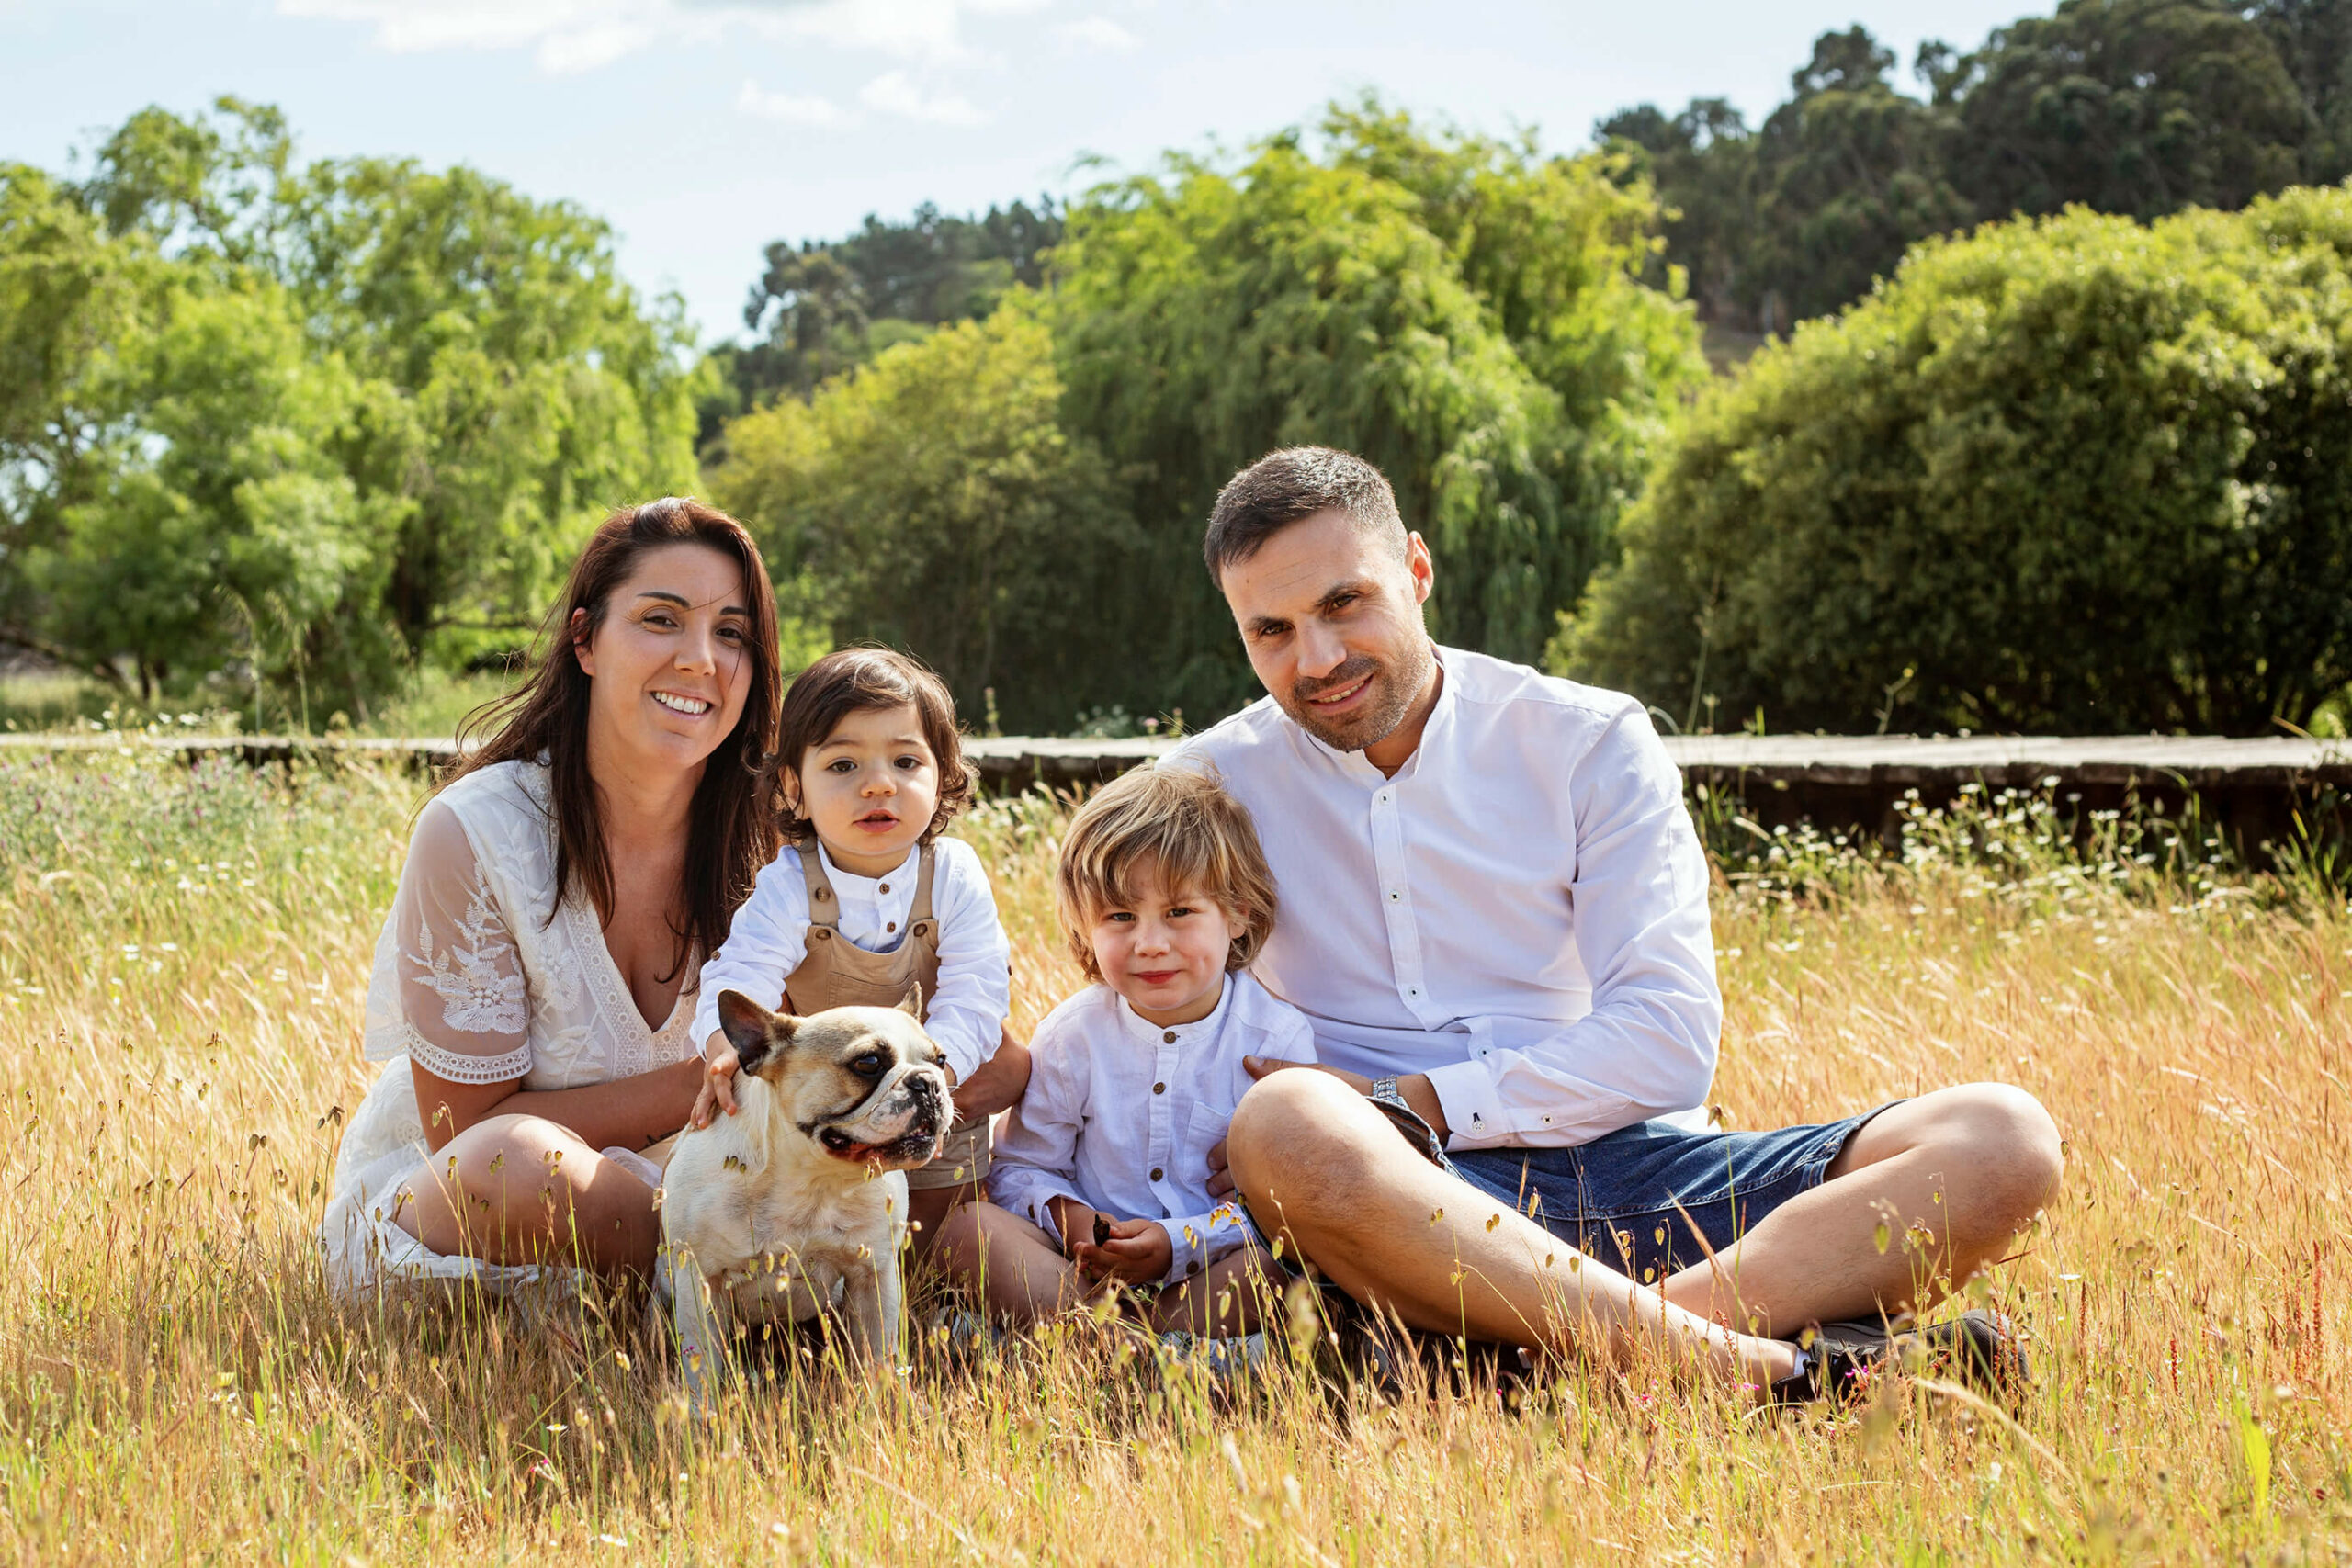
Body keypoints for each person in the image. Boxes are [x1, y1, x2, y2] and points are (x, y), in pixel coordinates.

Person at [1171, 446, 2064, 1397]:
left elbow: (1667, 1042)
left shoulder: (1585, 738)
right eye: (1272, 630)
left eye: (1345, 603)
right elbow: (1133, 1015)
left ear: (1418, 572)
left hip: (1643, 1171)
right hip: (1404, 1201)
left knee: (2001, 1139)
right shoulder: (1206, 784)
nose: (1317, 659)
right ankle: (1761, 1373)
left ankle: (1554, 1371)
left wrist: (1409, 1098)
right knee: (1287, 1122)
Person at [322, 498, 788, 1295]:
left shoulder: (776, 837)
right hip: (489, 1206)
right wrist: (700, 1084)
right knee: (515, 1162)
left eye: (732, 633)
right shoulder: (476, 833)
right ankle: (744, 1282)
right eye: (661, 620)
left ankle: (727, 1281)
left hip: (709, 1180)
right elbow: (463, 1133)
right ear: (585, 642)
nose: (699, 659)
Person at [935, 765, 1315, 1337]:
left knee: (1294, 1261)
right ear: (1086, 930)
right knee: (968, 1229)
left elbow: (1286, 1201)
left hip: (1212, 1271)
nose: (1150, 944)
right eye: (1120, 917)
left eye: (1179, 912)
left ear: (1236, 914)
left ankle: (1114, 1350)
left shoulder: (1275, 1039)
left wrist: (1179, 1243)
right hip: (1086, 1275)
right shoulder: (1073, 1035)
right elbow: (1022, 1168)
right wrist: (1074, 1221)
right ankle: (1132, 1349)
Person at [688, 647, 1025, 1258]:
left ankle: (938, 1307)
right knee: (829, 1222)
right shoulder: (789, 883)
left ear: (943, 775)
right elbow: (740, 973)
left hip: (937, 1085)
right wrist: (723, 1054)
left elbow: (977, 990)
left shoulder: (953, 873)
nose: (877, 782)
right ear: (795, 788)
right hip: (839, 1108)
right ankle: (814, 1294)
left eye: (904, 760)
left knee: (938, 1232)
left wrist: (933, 1083)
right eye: (843, 764)